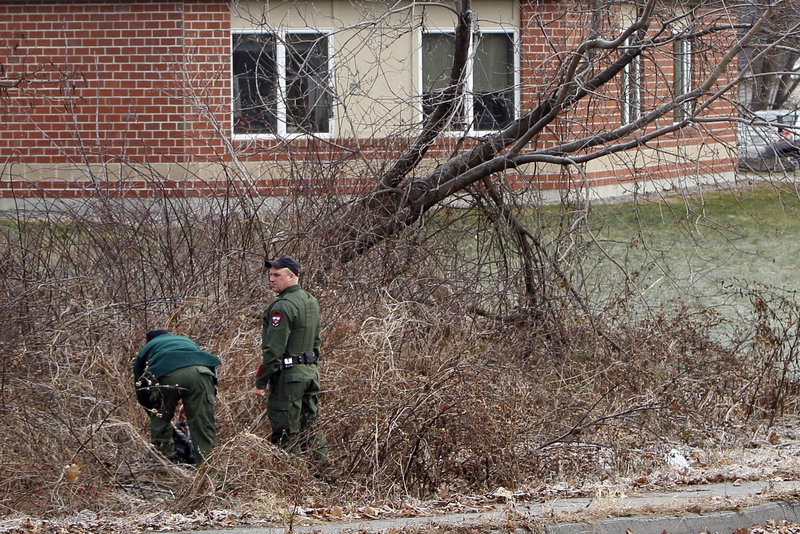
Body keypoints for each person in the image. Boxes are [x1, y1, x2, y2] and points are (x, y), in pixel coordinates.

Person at [253, 254, 329, 467]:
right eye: (271, 275)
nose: (272, 279)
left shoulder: (282, 307)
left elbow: (273, 350)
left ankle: (291, 483)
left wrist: (261, 381)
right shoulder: (310, 300)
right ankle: (326, 478)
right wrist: (312, 368)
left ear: (292, 276)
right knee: (310, 429)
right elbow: (316, 341)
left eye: (277, 275)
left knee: (286, 432)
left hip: (289, 377)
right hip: (309, 373)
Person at [134, 329, 222, 464]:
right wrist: (194, 404)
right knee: (204, 426)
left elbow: (141, 389)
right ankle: (210, 472)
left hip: (167, 373)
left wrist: (153, 411)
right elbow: (199, 369)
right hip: (202, 373)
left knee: (160, 423)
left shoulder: (147, 349)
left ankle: (167, 466)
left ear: (149, 341)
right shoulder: (185, 341)